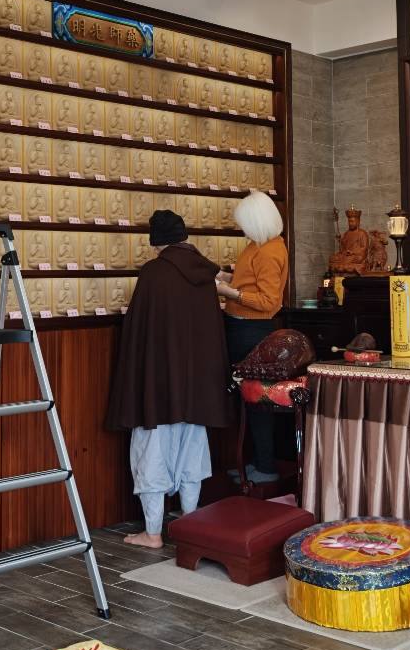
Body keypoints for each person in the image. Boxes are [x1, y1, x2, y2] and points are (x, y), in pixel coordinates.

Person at [106, 209, 231, 549]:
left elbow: (139, 332)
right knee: (193, 449)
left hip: (158, 383)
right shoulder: (204, 274)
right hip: (198, 385)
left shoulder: (154, 273)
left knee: (151, 450)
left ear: (156, 241)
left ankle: (153, 532)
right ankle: (190, 523)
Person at [216, 190, 289, 483]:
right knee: (248, 400)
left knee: (256, 398)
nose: (241, 228)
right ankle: (256, 463)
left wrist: (229, 292)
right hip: (241, 326)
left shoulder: (269, 252)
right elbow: (250, 282)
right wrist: (227, 278)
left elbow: (268, 301)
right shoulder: (257, 246)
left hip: (252, 330)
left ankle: (266, 466)